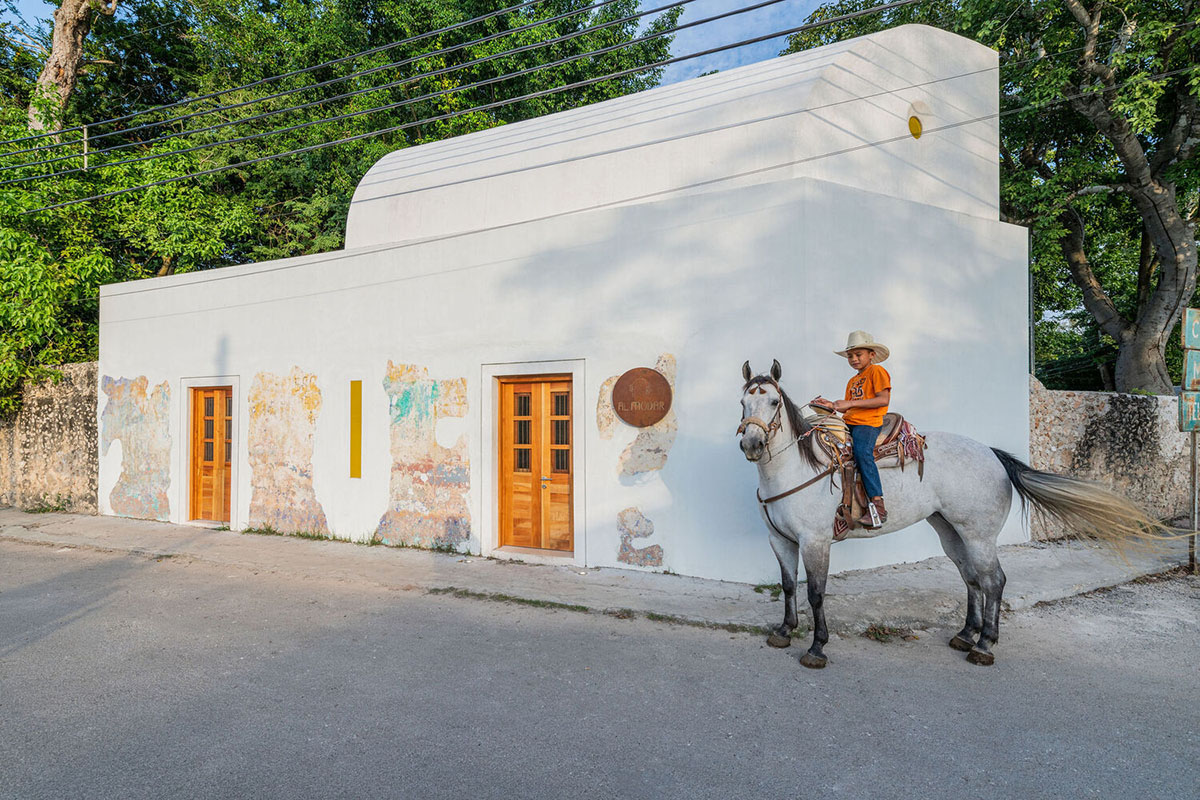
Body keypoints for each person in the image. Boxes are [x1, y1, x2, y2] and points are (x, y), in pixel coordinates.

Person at [814, 330, 891, 528]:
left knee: (862, 452)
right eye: (850, 356)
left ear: (871, 355)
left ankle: (878, 505)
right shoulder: (853, 381)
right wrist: (831, 405)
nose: (854, 359)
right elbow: (851, 405)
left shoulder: (877, 372)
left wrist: (846, 404)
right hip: (851, 421)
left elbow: (883, 399)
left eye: (859, 355)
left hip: (869, 422)